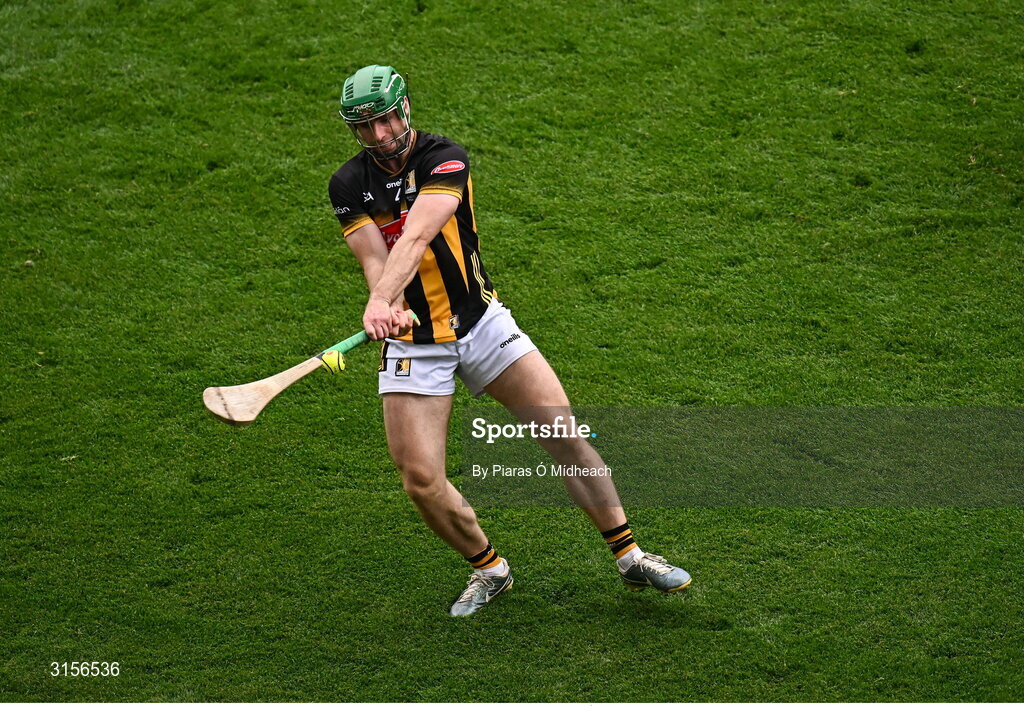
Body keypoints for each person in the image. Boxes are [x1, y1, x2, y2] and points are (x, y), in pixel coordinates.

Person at [327, 64, 691, 616]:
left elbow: (422, 229)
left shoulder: (444, 158)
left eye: (385, 119)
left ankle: (631, 556)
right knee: (420, 479)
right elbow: (376, 259)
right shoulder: (348, 185)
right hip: (414, 344)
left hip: (480, 322)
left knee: (562, 432)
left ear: (405, 109)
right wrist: (390, 304)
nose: (379, 135)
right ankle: (490, 569)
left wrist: (381, 300)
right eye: (365, 126)